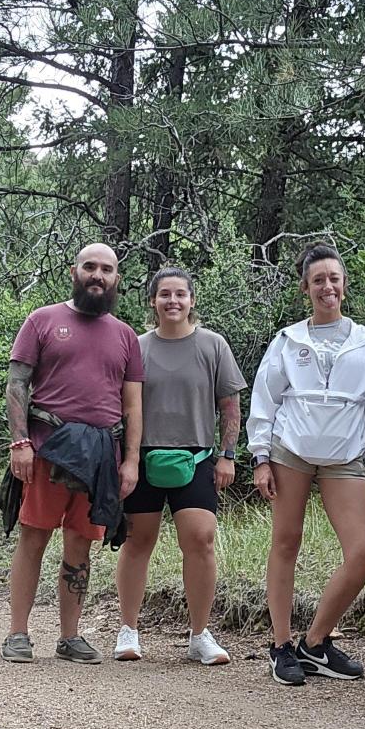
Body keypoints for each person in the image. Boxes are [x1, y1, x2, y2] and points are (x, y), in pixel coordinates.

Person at [247, 243, 365, 687]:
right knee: (286, 541)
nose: (326, 286)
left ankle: (314, 644)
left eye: (333, 278)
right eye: (318, 280)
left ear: (344, 285)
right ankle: (280, 646)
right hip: (290, 450)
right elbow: (266, 398)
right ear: (305, 288)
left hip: (346, 454)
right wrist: (260, 457)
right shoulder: (288, 340)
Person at [1, 243, 143, 665]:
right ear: (73, 272)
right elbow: (16, 385)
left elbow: (133, 405)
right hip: (48, 450)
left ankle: (70, 636)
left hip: (101, 456)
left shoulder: (125, 336)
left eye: (106, 269)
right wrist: (20, 443)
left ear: (117, 278)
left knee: (80, 544)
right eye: (89, 267)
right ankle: (18, 633)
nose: (97, 275)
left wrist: (130, 461)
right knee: (33, 538)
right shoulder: (42, 320)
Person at [113, 267, 247, 665]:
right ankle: (128, 630)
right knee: (138, 542)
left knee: (201, 541)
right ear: (152, 301)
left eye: (180, 295)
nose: (173, 301)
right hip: (143, 455)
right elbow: (123, 406)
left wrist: (228, 454)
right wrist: (126, 461)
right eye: (164, 295)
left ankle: (199, 634)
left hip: (198, 457)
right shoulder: (136, 347)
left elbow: (230, 405)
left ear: (192, 300)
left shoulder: (213, 345)